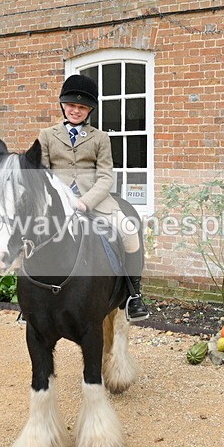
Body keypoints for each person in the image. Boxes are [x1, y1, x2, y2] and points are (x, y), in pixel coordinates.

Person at [38, 74, 149, 320]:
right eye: (71, 105)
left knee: (130, 232)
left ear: (89, 110)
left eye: (82, 107)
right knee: (30, 234)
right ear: (63, 105)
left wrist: (84, 202)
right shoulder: (47, 135)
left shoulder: (100, 138)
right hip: (58, 203)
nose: (76, 110)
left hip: (96, 202)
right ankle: (30, 299)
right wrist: (64, 200)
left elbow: (106, 178)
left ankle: (133, 295)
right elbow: (43, 174)